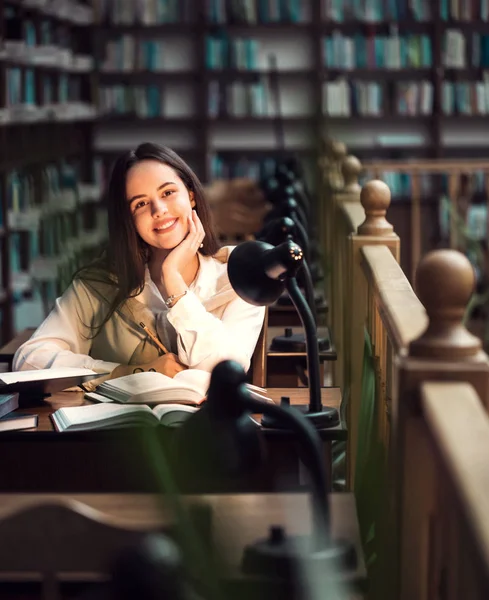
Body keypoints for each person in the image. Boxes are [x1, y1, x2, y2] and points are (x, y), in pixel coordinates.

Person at [13, 143, 266, 385]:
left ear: (190, 196)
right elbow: (29, 361)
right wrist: (127, 373)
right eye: (141, 204)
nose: (159, 210)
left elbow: (226, 370)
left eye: (168, 193)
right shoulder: (100, 284)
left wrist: (173, 280)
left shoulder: (239, 277)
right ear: (129, 220)